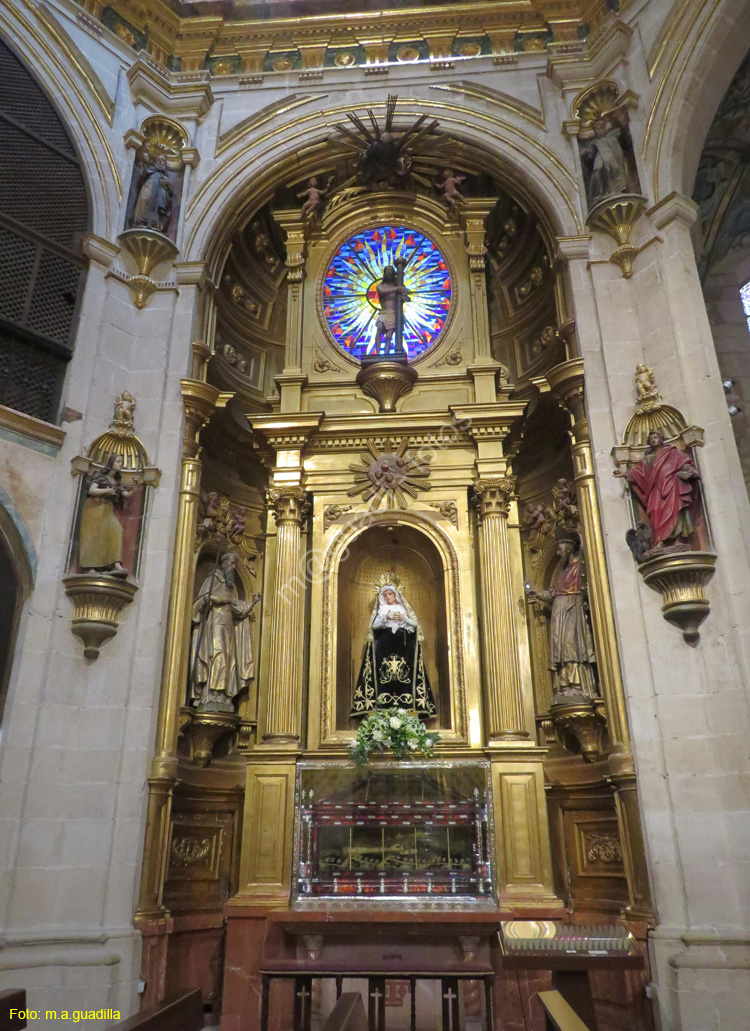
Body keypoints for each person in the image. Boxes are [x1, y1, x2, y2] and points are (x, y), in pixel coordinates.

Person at [526, 531, 597, 699]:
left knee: (572, 647)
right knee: (560, 648)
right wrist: (537, 595)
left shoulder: (581, 565)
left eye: (560, 549)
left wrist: (586, 601)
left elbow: (590, 587)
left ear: (569, 547)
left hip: (573, 609)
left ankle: (578, 686)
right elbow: (554, 593)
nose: (558, 553)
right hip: (559, 612)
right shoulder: (560, 569)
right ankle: (563, 686)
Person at [351, 583, 436, 718]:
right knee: (384, 673)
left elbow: (414, 625)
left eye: (390, 594)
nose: (388, 597)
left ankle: (406, 706)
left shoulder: (403, 609)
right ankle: (383, 705)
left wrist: (404, 619)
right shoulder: (382, 610)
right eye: (385, 595)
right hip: (385, 645)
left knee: (404, 673)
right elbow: (374, 626)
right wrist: (386, 618)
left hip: (403, 646)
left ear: (395, 595)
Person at [189, 552, 260, 712]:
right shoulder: (212, 580)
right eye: (232, 564)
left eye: (235, 564)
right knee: (217, 655)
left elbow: (238, 609)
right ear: (224, 563)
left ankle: (223, 696)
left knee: (228, 659)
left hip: (228, 628)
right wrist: (211, 601)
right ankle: (210, 695)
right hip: (214, 626)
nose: (234, 568)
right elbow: (200, 603)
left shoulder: (230, 588)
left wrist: (253, 602)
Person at [614, 429, 700, 550]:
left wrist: (690, 470)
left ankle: (677, 540)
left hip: (672, 487)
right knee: (655, 511)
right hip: (655, 491)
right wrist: (625, 474)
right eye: (651, 439)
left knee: (675, 511)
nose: (654, 440)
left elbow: (683, 462)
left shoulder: (672, 452)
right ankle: (659, 541)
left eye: (656, 437)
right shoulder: (647, 459)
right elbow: (639, 473)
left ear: (661, 439)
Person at [78, 454, 133, 577]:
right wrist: (107, 491)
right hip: (94, 507)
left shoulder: (117, 483)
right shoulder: (100, 476)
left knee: (117, 530)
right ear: (111, 463)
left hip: (107, 509)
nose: (120, 464)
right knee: (94, 535)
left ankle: (116, 565)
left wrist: (137, 486)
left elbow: (127, 494)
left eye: (121, 462)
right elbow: (92, 490)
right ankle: (90, 566)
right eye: (118, 461)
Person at [131, 152, 174, 234]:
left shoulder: (165, 177)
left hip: (158, 197)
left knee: (156, 210)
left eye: (163, 161)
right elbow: (141, 179)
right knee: (144, 202)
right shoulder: (149, 171)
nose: (160, 162)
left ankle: (155, 225)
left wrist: (165, 185)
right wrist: (142, 169)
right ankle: (141, 222)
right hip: (148, 189)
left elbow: (171, 191)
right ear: (155, 161)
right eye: (159, 160)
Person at [372, 265, 408, 354]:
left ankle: (386, 354)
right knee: (379, 328)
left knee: (388, 337)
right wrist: (397, 288)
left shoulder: (398, 287)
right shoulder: (380, 286)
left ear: (393, 274)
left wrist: (404, 295)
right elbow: (382, 292)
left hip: (394, 314)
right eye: (386, 271)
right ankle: (377, 353)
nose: (388, 272)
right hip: (384, 313)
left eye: (390, 271)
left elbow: (404, 294)